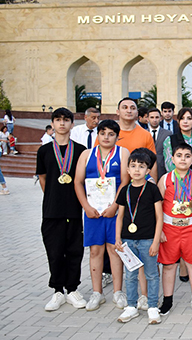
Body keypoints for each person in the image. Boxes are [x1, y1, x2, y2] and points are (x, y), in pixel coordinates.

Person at [74, 119, 130, 311]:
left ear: (117, 136)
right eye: (103, 133)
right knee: (95, 251)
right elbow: (78, 182)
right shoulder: (86, 154)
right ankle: (97, 293)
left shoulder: (122, 153)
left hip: (114, 211)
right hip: (93, 212)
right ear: (97, 134)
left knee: (115, 249)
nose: (106, 137)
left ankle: (118, 292)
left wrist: (115, 205)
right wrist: (86, 207)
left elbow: (125, 181)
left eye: (111, 134)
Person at [36, 108, 87, 311]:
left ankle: (72, 289)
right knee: (55, 252)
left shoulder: (81, 150)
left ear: (72, 124)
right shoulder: (44, 151)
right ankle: (57, 291)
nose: (62, 123)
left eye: (66, 120)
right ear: (52, 124)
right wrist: (53, 197)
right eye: (58, 120)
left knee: (74, 251)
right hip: (52, 210)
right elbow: (43, 178)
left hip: (74, 209)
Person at [157, 143, 192, 316]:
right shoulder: (165, 179)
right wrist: (159, 230)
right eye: (179, 155)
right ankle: (167, 301)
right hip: (169, 228)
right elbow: (157, 206)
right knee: (168, 266)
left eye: (187, 156)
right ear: (172, 159)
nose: (183, 159)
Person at [114, 150, 163, 324]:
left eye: (141, 167)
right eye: (133, 166)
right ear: (127, 170)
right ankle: (131, 306)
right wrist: (118, 238)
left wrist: (156, 241)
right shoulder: (124, 190)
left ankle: (152, 306)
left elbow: (159, 217)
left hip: (147, 240)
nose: (137, 170)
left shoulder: (152, 189)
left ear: (148, 170)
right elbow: (120, 217)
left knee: (151, 274)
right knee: (130, 275)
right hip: (128, 241)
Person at [147, 108, 171, 178]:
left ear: (161, 118)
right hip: (147, 168)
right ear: (147, 119)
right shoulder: (143, 133)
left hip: (163, 169)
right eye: (152, 117)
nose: (154, 120)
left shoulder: (168, 133)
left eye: (157, 117)